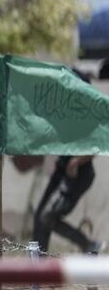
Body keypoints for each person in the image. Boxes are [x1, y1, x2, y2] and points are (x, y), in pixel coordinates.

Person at [32, 69, 103, 254]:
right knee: (40, 217)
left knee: (47, 217)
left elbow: (95, 146)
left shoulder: (87, 113)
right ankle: (38, 266)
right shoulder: (68, 110)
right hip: (62, 172)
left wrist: (76, 161)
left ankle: (87, 244)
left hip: (77, 175)